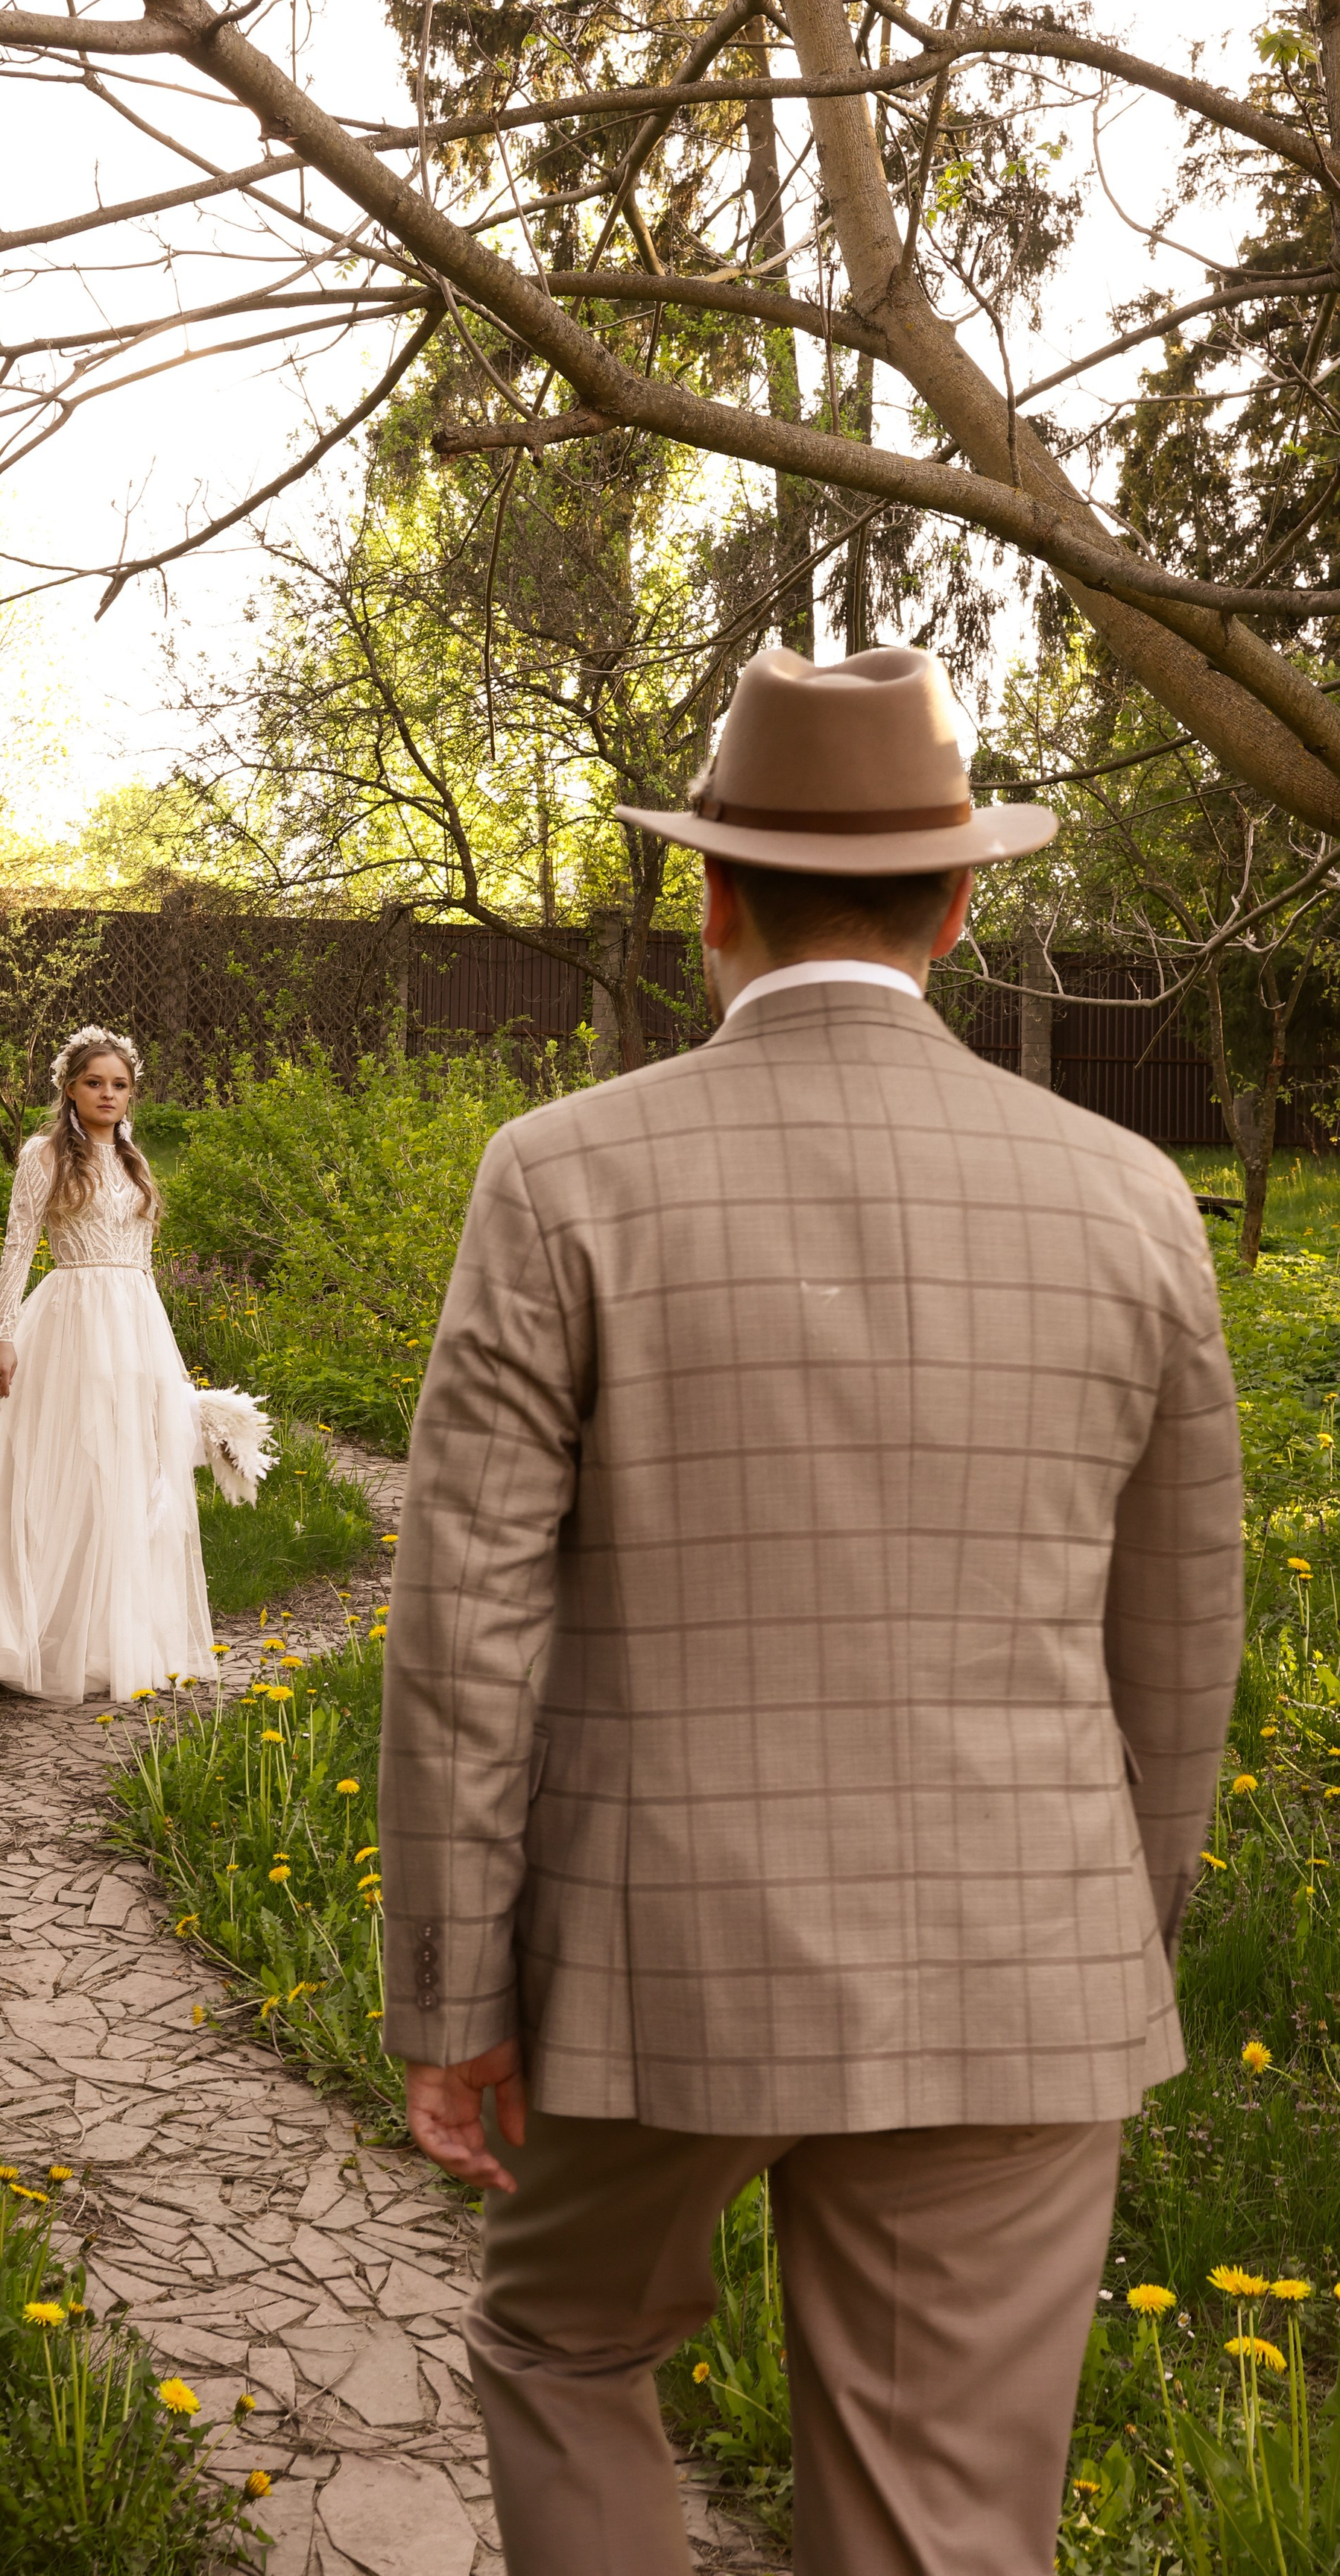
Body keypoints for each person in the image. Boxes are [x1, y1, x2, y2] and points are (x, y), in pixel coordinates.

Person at [376, 647, 1244, 2576]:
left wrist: (450, 1993)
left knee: (563, 2343)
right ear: (957, 901)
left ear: (711, 897)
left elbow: (466, 1630)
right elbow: (1180, 1651)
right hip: (1023, 1953)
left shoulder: (560, 1179)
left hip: (645, 1963)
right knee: (942, 2522)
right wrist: (1115, 1928)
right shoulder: (1132, 1202)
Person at [0, 1024, 273, 1705]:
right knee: (75, 1461)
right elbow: (18, 1245)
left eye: (119, 1085)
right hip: (73, 1316)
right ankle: (48, 1627)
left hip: (135, 1317)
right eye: (94, 1083)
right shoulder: (45, 1155)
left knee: (134, 1466)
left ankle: (117, 1630)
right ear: (69, 1089)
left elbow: (136, 1255)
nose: (107, 1095)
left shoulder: (134, 1154)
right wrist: (1, 1335)